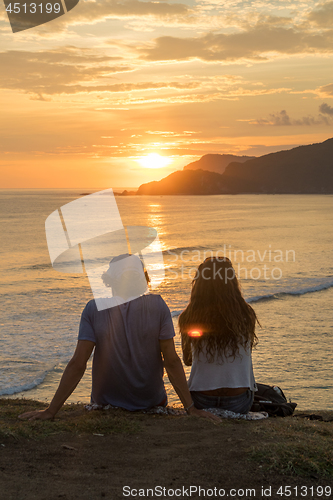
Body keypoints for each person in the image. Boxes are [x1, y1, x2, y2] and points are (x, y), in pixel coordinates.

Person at [19, 254, 219, 422]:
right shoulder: (158, 306)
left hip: (104, 404)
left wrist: (51, 411)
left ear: (109, 281)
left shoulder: (93, 308)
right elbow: (171, 360)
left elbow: (78, 364)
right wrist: (190, 408)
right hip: (150, 403)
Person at [179, 257, 259, 414]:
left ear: (200, 284)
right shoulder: (246, 314)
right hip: (239, 402)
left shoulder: (188, 316)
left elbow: (188, 361)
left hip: (201, 400)